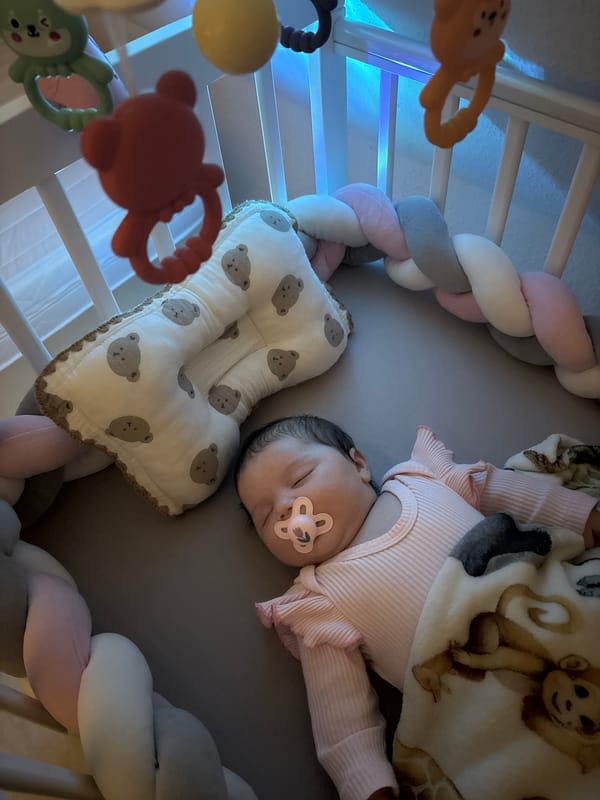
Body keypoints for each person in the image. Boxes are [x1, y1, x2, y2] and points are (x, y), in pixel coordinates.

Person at [234, 415, 600, 800]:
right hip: (482, 706)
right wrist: (367, 785)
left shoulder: (421, 478)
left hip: (545, 605)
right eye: (267, 516)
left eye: (299, 479)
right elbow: (340, 717)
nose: (288, 509)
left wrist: (580, 514)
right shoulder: (316, 603)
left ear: (359, 465)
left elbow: (502, 489)